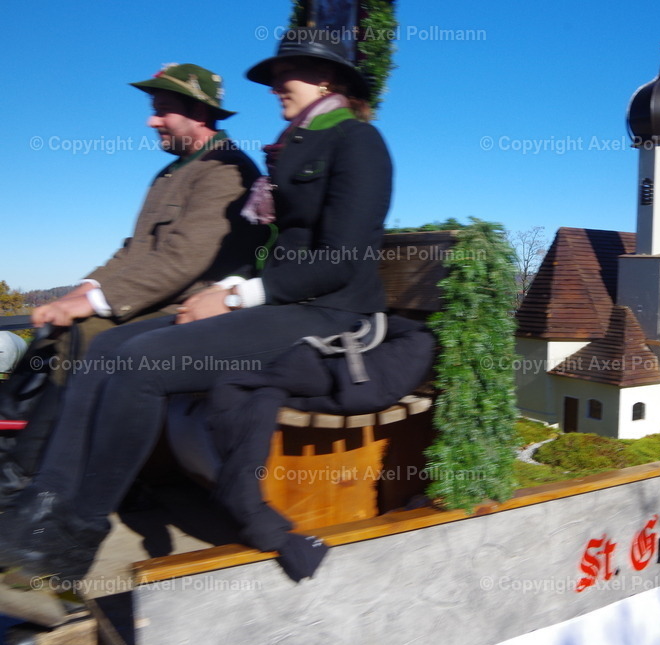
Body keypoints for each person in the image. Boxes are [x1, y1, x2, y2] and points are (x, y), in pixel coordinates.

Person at [0, 33, 392, 585]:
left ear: (329, 81)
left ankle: (75, 537)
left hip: (328, 315)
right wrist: (232, 288)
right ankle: (44, 506)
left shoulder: (358, 143)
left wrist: (233, 296)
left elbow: (340, 263)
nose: (277, 84)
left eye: (290, 73)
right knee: (109, 345)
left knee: (141, 365)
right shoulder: (296, 144)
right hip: (280, 301)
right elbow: (275, 249)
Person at [0, 63, 263, 496]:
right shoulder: (170, 174)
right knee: (58, 326)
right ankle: (16, 456)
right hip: (157, 296)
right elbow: (133, 250)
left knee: (87, 332)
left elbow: (184, 258)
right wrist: (83, 290)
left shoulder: (226, 171)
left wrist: (99, 303)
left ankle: (28, 474)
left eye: (162, 110)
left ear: (199, 113)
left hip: (195, 307)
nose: (150, 120)